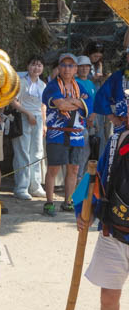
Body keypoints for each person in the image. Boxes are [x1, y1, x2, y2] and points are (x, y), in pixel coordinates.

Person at [78, 128, 128, 310]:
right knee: (108, 297)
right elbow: (96, 176)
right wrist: (83, 208)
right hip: (114, 230)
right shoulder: (115, 139)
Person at [42, 52, 92, 216]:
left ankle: (67, 201)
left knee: (74, 169)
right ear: (59, 67)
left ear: (76, 69)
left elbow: (89, 105)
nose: (67, 69)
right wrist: (78, 102)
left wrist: (71, 102)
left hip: (77, 135)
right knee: (54, 169)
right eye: (63, 65)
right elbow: (61, 105)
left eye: (71, 66)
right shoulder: (52, 86)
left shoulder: (80, 86)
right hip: (57, 133)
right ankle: (49, 202)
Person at [11, 56, 47, 200]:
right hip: (23, 118)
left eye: (39, 65)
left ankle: (35, 186)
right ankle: (21, 187)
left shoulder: (43, 85)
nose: (36, 68)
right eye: (33, 64)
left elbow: (43, 105)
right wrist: (28, 114)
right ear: (28, 66)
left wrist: (44, 124)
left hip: (37, 120)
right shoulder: (21, 82)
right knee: (22, 153)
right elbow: (13, 101)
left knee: (37, 153)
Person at [94, 46, 129, 137]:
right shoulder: (118, 76)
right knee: (122, 151)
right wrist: (111, 117)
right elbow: (101, 96)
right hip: (122, 125)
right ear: (127, 57)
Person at [76, 55, 99, 172]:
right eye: (81, 66)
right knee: (81, 151)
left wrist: (93, 117)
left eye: (87, 66)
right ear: (77, 68)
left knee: (89, 151)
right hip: (79, 123)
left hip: (91, 123)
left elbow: (95, 102)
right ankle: (78, 178)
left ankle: (83, 178)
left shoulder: (91, 83)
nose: (84, 69)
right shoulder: (74, 82)